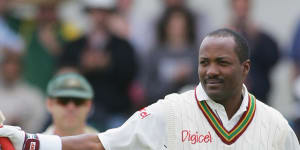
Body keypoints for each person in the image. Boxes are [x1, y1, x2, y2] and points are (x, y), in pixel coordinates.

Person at [0, 28, 299, 150]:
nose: (210, 71)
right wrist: (28, 141)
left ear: (245, 68)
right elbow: (101, 144)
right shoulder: (171, 111)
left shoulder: (274, 126)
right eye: (204, 62)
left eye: (222, 62)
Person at [226, 0, 280, 104]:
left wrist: (258, 38)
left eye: (244, 9)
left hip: (258, 96)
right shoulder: (221, 36)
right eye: (238, 9)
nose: (241, 13)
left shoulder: (260, 36)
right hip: (230, 96)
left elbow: (273, 58)